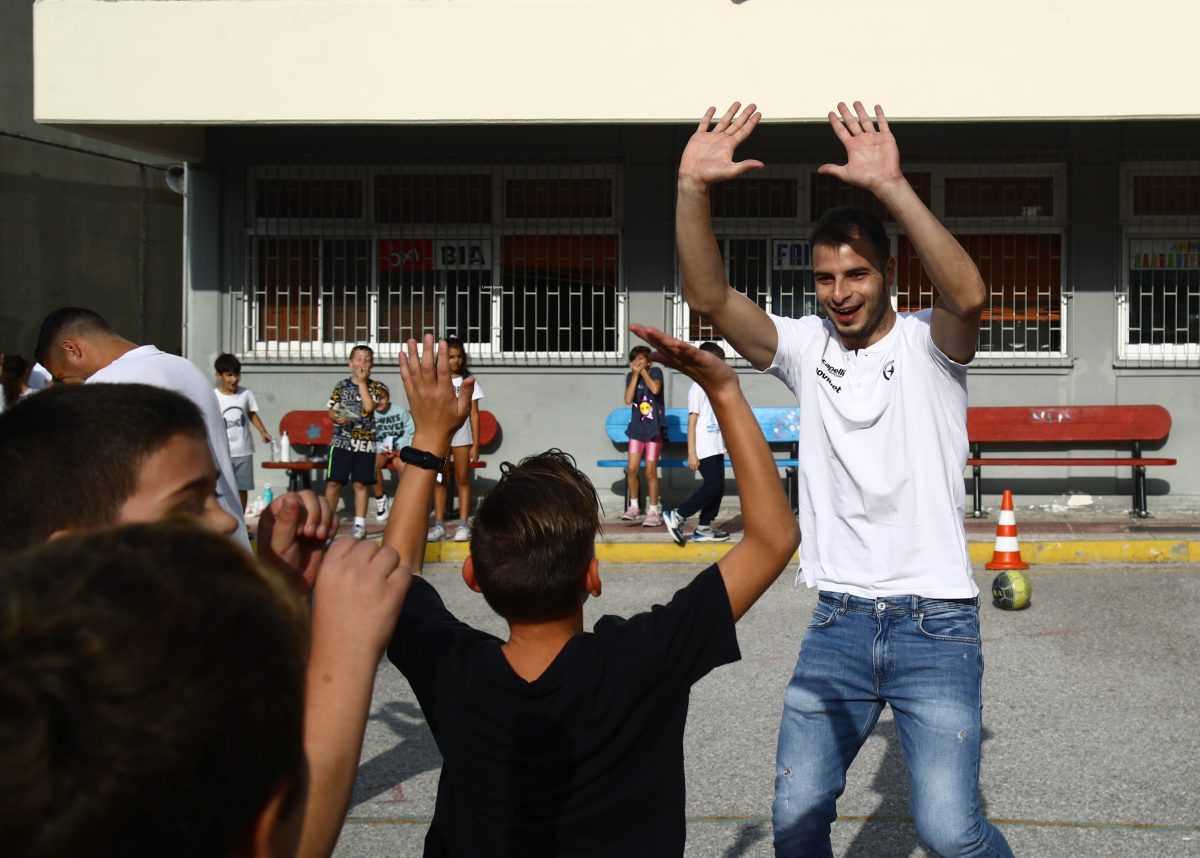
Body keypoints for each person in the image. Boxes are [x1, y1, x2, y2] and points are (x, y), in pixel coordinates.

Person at [676, 100, 1013, 857]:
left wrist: (893, 188)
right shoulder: (804, 347)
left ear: (886, 273)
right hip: (839, 622)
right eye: (826, 277)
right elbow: (711, 299)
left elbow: (971, 296)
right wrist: (692, 190)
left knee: (950, 831)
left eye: (857, 273)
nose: (841, 291)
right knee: (795, 818)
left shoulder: (933, 341)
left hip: (938, 622)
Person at [383, 326, 800, 857]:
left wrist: (428, 441)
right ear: (592, 577)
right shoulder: (643, 657)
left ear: (474, 578)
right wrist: (724, 388)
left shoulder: (451, 665)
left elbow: (393, 579)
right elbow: (774, 538)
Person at [0, 381, 412, 858]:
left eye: (215, 493)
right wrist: (345, 651)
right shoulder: (58, 723)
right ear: (74, 555)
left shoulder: (136, 658)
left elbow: (264, 776)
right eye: (187, 505)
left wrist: (290, 592)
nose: (223, 522)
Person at [34, 306, 252, 550]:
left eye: (63, 378)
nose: (72, 385)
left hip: (184, 553)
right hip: (230, 542)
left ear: (72, 349)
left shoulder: (107, 385)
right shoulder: (183, 366)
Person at [662, 341, 730, 544]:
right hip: (704, 447)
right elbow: (692, 422)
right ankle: (679, 514)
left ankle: (704, 527)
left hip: (717, 445)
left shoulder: (714, 386)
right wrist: (691, 452)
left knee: (719, 487)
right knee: (712, 486)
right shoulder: (697, 388)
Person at [324, 344, 385, 540]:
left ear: (372, 366)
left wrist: (361, 383)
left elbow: (368, 407)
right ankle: (328, 521)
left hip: (365, 443)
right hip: (342, 441)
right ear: (350, 363)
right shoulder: (341, 385)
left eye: (367, 360)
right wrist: (336, 417)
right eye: (359, 359)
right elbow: (331, 409)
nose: (363, 364)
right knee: (334, 482)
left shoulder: (375, 387)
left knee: (361, 483)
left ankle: (359, 525)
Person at [427, 336, 484, 543]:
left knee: (462, 479)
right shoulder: (435, 380)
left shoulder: (468, 381)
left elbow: (474, 414)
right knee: (440, 479)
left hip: (462, 434)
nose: (456, 361)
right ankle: (439, 524)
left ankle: (462, 524)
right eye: (451, 357)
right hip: (440, 434)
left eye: (459, 356)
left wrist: (475, 443)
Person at [214, 352, 273, 511]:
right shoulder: (214, 396)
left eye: (237, 375)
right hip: (223, 452)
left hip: (243, 450)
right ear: (219, 376)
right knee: (222, 488)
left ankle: (241, 522)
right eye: (229, 375)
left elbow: (251, 414)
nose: (233, 379)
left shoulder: (245, 394)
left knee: (242, 488)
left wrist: (263, 431)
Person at [619, 343, 666, 526]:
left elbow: (655, 390)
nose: (637, 362)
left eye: (641, 358)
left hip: (654, 430)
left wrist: (644, 372)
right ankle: (633, 507)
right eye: (634, 359)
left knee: (650, 471)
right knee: (631, 469)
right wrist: (636, 375)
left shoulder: (656, 373)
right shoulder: (632, 376)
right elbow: (628, 399)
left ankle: (653, 510)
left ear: (649, 361)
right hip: (637, 430)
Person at [371, 381, 415, 523]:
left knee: (402, 464)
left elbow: (411, 431)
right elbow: (369, 437)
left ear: (388, 396)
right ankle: (381, 499)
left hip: (399, 449)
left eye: (382, 397)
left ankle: (406, 500)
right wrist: (381, 448)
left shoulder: (399, 411)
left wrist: (399, 446)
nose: (379, 402)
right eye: (375, 398)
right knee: (372, 466)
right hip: (381, 450)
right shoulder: (370, 415)